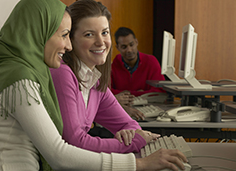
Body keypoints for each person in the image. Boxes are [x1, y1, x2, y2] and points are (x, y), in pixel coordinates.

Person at [0, 0, 187, 170]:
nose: (68, 46)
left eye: (104, 32)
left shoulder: (35, 73)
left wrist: (134, 135)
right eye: (64, 35)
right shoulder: (23, 78)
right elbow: (60, 153)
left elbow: (128, 125)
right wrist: (138, 161)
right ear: (40, 32)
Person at [50, 0, 160, 154]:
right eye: (89, 34)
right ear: (71, 39)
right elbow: (74, 142)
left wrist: (129, 134)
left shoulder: (94, 81)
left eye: (104, 32)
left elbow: (131, 126)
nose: (101, 42)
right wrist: (131, 143)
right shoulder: (62, 73)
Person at [111, 27, 166, 120]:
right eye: (124, 47)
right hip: (122, 111)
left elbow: (160, 92)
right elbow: (107, 93)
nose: (129, 50)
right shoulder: (112, 66)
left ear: (136, 42)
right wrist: (140, 93)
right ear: (117, 47)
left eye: (131, 44)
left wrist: (125, 94)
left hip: (148, 110)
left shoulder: (151, 61)